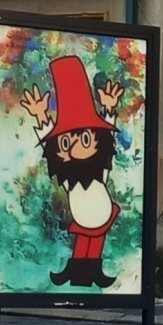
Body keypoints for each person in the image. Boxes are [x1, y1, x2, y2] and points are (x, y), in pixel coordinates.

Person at [20, 56, 125, 289]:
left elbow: (108, 134)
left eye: (85, 139)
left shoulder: (100, 172)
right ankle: (77, 273)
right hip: (83, 216)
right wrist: (40, 115)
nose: (76, 148)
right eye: (67, 143)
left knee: (93, 244)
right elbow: (50, 142)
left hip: (101, 213)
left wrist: (109, 108)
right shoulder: (69, 178)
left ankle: (91, 273)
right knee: (84, 243)